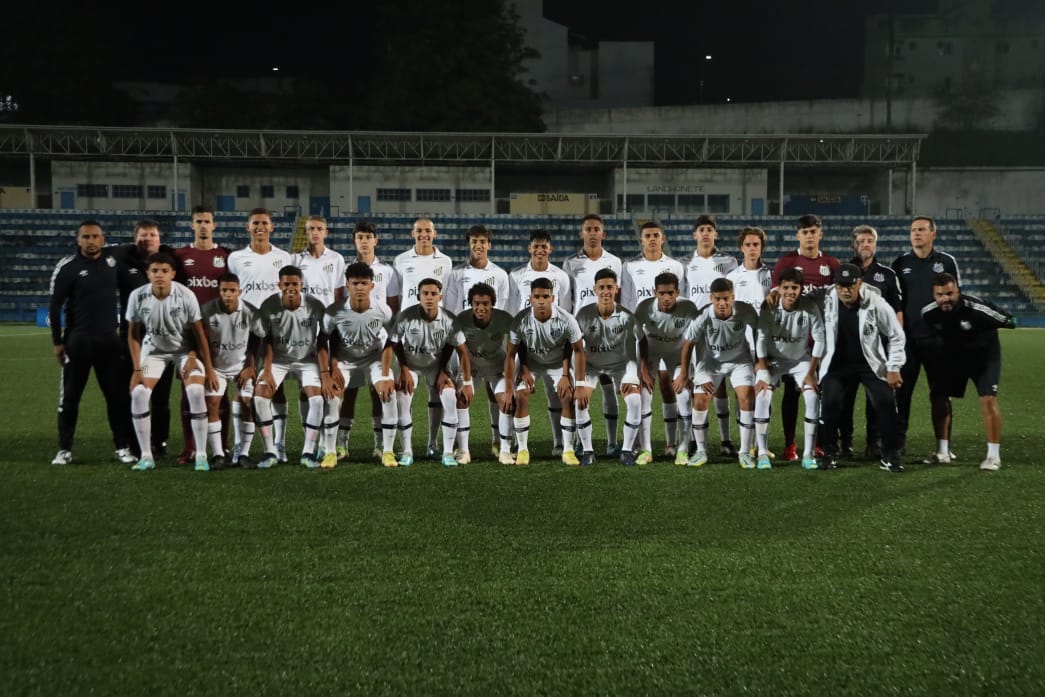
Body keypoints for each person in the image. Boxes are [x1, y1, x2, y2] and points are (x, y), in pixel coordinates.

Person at [47, 221, 136, 465]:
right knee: (70, 399)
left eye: (95, 236)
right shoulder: (68, 267)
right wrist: (57, 342)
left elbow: (138, 246)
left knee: (116, 398)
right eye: (86, 237)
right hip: (78, 343)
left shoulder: (113, 259)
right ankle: (64, 449)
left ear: (103, 238)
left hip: (109, 343)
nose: (91, 241)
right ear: (78, 240)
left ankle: (122, 447)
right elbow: (54, 307)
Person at [125, 252, 217, 472]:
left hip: (185, 350)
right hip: (154, 351)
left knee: (195, 392)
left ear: (173, 274)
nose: (159, 275)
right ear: (147, 273)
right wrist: (137, 368)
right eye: (155, 271)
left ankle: (201, 455)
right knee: (138, 393)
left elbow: (199, 334)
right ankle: (146, 456)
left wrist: (209, 368)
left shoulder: (186, 295)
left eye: (164, 271)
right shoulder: (137, 296)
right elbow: (133, 335)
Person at [816, 264, 906, 473]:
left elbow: (896, 335)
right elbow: (799, 296)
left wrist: (893, 367)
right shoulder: (826, 297)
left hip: (870, 364)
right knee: (829, 402)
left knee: (885, 401)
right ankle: (829, 453)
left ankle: (891, 455)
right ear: (835, 285)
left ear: (860, 283)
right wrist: (775, 294)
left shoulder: (876, 302)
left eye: (850, 285)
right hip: (837, 364)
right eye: (841, 286)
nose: (845, 290)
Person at [921, 273, 1016, 471]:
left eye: (950, 293)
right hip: (954, 359)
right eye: (940, 294)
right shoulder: (929, 313)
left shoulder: (977, 309)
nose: (945, 298)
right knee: (938, 397)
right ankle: (942, 452)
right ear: (934, 295)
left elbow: (1009, 320)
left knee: (988, 399)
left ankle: (993, 456)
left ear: (958, 292)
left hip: (984, 359)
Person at [891, 215, 962, 463]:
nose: (916, 234)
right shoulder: (900, 263)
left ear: (934, 233)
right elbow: (894, 301)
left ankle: (943, 448)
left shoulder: (946, 261)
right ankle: (898, 445)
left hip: (938, 341)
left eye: (921, 229)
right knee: (901, 394)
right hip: (908, 341)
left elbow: (956, 299)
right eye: (913, 230)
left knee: (941, 394)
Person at [771, 214, 841, 462]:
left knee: (819, 392)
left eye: (814, 231)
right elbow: (774, 297)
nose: (810, 236)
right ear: (798, 235)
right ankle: (790, 444)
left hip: (822, 342)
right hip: (795, 342)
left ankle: (819, 442)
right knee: (792, 392)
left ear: (820, 234)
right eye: (805, 232)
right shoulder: (786, 262)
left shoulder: (832, 265)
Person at [382, 278, 473, 467]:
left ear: (440, 296)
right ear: (418, 296)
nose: (429, 297)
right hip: (410, 364)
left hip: (436, 365)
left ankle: (444, 451)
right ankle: (407, 451)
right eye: (425, 294)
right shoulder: (406, 316)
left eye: (433, 294)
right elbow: (393, 344)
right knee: (402, 399)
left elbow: (462, 351)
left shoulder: (449, 319)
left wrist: (460, 379)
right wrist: (404, 369)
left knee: (449, 397)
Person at [226, 208, 294, 461]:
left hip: (277, 332)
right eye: (255, 223)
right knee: (243, 387)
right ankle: (240, 448)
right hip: (245, 333)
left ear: (272, 227)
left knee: (276, 388)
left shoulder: (284, 256)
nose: (260, 227)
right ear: (248, 227)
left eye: (264, 223)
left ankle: (279, 445)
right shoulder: (235, 258)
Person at [503, 277, 592, 466]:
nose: (541, 301)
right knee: (520, 396)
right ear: (531, 298)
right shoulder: (520, 320)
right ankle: (523, 450)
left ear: (553, 298)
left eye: (545, 296)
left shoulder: (567, 319)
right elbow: (511, 355)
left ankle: (567, 450)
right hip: (532, 363)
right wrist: (511, 385)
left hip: (558, 364)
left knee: (567, 396)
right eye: (537, 296)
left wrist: (573, 379)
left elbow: (578, 350)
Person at [251, 265, 332, 469]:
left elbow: (322, 340)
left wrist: (325, 372)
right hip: (278, 359)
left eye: (295, 284)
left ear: (301, 285)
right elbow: (266, 340)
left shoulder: (315, 305)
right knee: (260, 398)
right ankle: (271, 451)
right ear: (279, 284)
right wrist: (267, 369)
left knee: (317, 400)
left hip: (307, 359)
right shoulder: (269, 305)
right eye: (286, 284)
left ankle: (308, 452)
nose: (290, 288)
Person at [675, 278, 758, 468]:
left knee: (746, 397)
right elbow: (688, 345)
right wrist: (685, 375)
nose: (722, 303)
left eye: (726, 299)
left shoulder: (745, 311)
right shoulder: (703, 315)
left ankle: (744, 452)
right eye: (718, 299)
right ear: (711, 298)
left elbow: (758, 332)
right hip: (711, 362)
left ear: (733, 298)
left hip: (739, 361)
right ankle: (701, 451)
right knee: (700, 399)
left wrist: (759, 361)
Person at [322, 262, 398, 468]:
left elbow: (393, 340)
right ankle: (331, 451)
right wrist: (331, 368)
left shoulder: (383, 310)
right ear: (347, 284)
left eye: (364, 283)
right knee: (331, 397)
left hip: (373, 358)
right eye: (355, 283)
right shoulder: (335, 311)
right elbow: (323, 342)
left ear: (372, 286)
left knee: (388, 392)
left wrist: (384, 371)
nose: (360, 287)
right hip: (344, 361)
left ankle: (387, 450)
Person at [336, 220, 400, 460]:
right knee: (348, 392)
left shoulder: (388, 271)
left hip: (378, 343)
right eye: (359, 237)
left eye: (368, 237)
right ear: (354, 240)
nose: (364, 241)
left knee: (379, 391)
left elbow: (392, 307)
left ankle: (380, 441)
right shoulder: (345, 269)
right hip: (350, 344)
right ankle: (342, 443)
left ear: (376, 240)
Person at [113, 219, 178, 458]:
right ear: (135, 238)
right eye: (143, 234)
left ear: (159, 239)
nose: (147, 238)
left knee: (161, 397)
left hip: (164, 340)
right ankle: (133, 442)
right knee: (133, 391)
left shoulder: (170, 260)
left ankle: (159, 441)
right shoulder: (123, 262)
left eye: (152, 234)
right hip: (132, 340)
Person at [173, 205, 232, 465]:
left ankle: (223, 446)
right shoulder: (180, 256)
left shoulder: (225, 256)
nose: (203, 225)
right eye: (199, 221)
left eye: (207, 221)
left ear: (214, 225)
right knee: (190, 391)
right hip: (189, 335)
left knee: (221, 391)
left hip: (220, 334)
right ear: (192, 225)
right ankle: (191, 448)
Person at [838, 224, 902, 459]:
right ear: (854, 244)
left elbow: (897, 311)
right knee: (845, 398)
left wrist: (895, 344)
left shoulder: (887, 275)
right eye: (862, 241)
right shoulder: (843, 270)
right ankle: (845, 442)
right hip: (846, 347)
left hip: (876, 348)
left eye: (870, 241)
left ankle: (873, 443)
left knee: (876, 399)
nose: (866, 244)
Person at [392, 218, 455, 459]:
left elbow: (445, 298)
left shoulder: (445, 261)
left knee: (438, 393)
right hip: (408, 339)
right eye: (419, 231)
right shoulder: (401, 261)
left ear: (434, 233)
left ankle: (433, 444)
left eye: (428, 231)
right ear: (413, 233)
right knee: (403, 394)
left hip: (438, 338)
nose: (424, 235)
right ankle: (406, 449)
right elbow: (397, 298)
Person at [563, 214, 624, 457]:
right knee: (580, 387)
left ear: (603, 234)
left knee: (609, 387)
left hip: (609, 333)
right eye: (588, 229)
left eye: (596, 229)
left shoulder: (616, 262)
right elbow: (568, 301)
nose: (592, 233)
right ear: (582, 233)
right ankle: (580, 440)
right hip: (582, 333)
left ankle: (611, 442)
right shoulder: (571, 263)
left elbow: (620, 297)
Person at [753, 268, 825, 471]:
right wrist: (763, 366)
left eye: (795, 287)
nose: (790, 292)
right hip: (773, 360)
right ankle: (762, 453)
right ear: (779, 288)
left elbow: (819, 339)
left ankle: (808, 455)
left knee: (812, 397)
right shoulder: (770, 305)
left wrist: (811, 372)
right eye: (786, 287)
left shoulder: (809, 306)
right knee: (762, 397)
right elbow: (761, 338)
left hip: (800, 360)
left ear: (801, 289)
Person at [508, 229, 572, 456]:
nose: (540, 250)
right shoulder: (516, 276)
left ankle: (559, 443)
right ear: (529, 248)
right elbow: (513, 315)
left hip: (554, 347)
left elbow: (564, 316)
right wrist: (522, 362)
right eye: (536, 246)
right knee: (518, 392)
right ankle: (517, 443)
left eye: (544, 246)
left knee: (557, 394)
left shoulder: (561, 278)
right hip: (525, 346)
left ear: (550, 249)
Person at [680, 214, 740, 457]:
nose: (705, 233)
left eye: (709, 229)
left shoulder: (728, 262)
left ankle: (726, 440)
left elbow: (735, 296)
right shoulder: (684, 263)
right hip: (695, 332)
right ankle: (696, 440)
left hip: (723, 330)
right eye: (701, 229)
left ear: (715, 234)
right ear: (695, 235)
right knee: (699, 386)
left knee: (722, 384)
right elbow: (683, 297)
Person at [574, 269, 643, 465]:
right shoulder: (584, 314)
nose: (606, 291)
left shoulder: (627, 316)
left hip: (621, 365)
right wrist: (578, 382)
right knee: (580, 400)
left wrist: (640, 371)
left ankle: (627, 450)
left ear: (616, 289)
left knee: (635, 401)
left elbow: (642, 341)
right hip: (593, 365)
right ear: (595, 289)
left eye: (610, 287)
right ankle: (587, 451)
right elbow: (576, 347)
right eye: (602, 287)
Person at [634, 272, 701, 465]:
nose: (666, 297)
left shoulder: (689, 307)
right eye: (662, 293)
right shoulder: (644, 308)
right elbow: (638, 339)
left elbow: (694, 339)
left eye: (671, 293)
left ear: (678, 292)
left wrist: (685, 372)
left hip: (677, 354)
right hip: (651, 352)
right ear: (655, 292)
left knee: (684, 397)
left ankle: (682, 449)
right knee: (643, 397)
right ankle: (646, 450)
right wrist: (644, 369)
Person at [199, 273, 259, 469]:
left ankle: (243, 454)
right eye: (224, 290)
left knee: (248, 403)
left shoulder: (250, 311)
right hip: (217, 367)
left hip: (241, 367)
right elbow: (201, 341)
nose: (228, 294)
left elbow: (258, 338)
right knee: (212, 403)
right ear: (219, 291)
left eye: (232, 290)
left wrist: (251, 366)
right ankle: (218, 454)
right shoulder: (207, 310)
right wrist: (208, 369)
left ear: (239, 291)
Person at [451, 282, 515, 464]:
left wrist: (513, 381)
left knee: (506, 401)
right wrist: (466, 380)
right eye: (476, 303)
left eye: (485, 303)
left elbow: (513, 351)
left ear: (492, 304)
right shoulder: (461, 319)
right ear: (471, 303)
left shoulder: (504, 319)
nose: (481, 307)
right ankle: (463, 450)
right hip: (471, 366)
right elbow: (459, 351)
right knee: (462, 400)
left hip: (497, 365)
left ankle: (504, 449)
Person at [443, 224, 510, 314]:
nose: (478, 246)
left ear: (489, 245)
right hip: (464, 326)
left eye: (482, 242)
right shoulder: (456, 273)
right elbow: (450, 308)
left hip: (490, 327)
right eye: (474, 241)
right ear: (469, 245)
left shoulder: (500, 274)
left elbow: (503, 309)